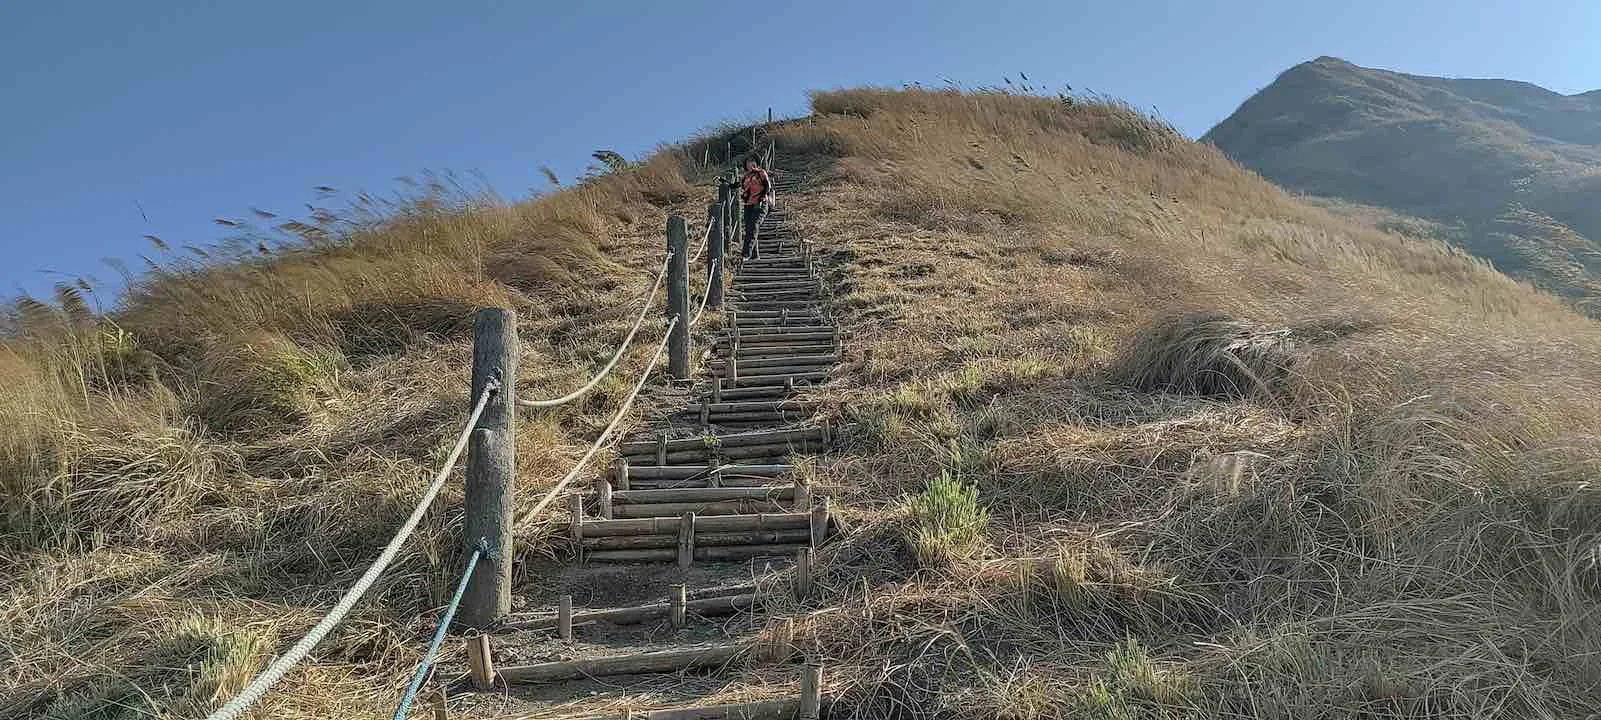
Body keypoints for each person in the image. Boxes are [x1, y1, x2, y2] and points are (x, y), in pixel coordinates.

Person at [739, 155, 774, 260]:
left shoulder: (761, 173)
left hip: (760, 204)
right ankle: (755, 256)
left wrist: (762, 196)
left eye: (752, 161)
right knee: (750, 228)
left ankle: (746, 254)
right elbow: (738, 186)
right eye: (748, 162)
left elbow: (768, 186)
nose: (750, 164)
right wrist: (722, 180)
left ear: (756, 163)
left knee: (753, 226)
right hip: (748, 205)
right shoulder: (745, 177)